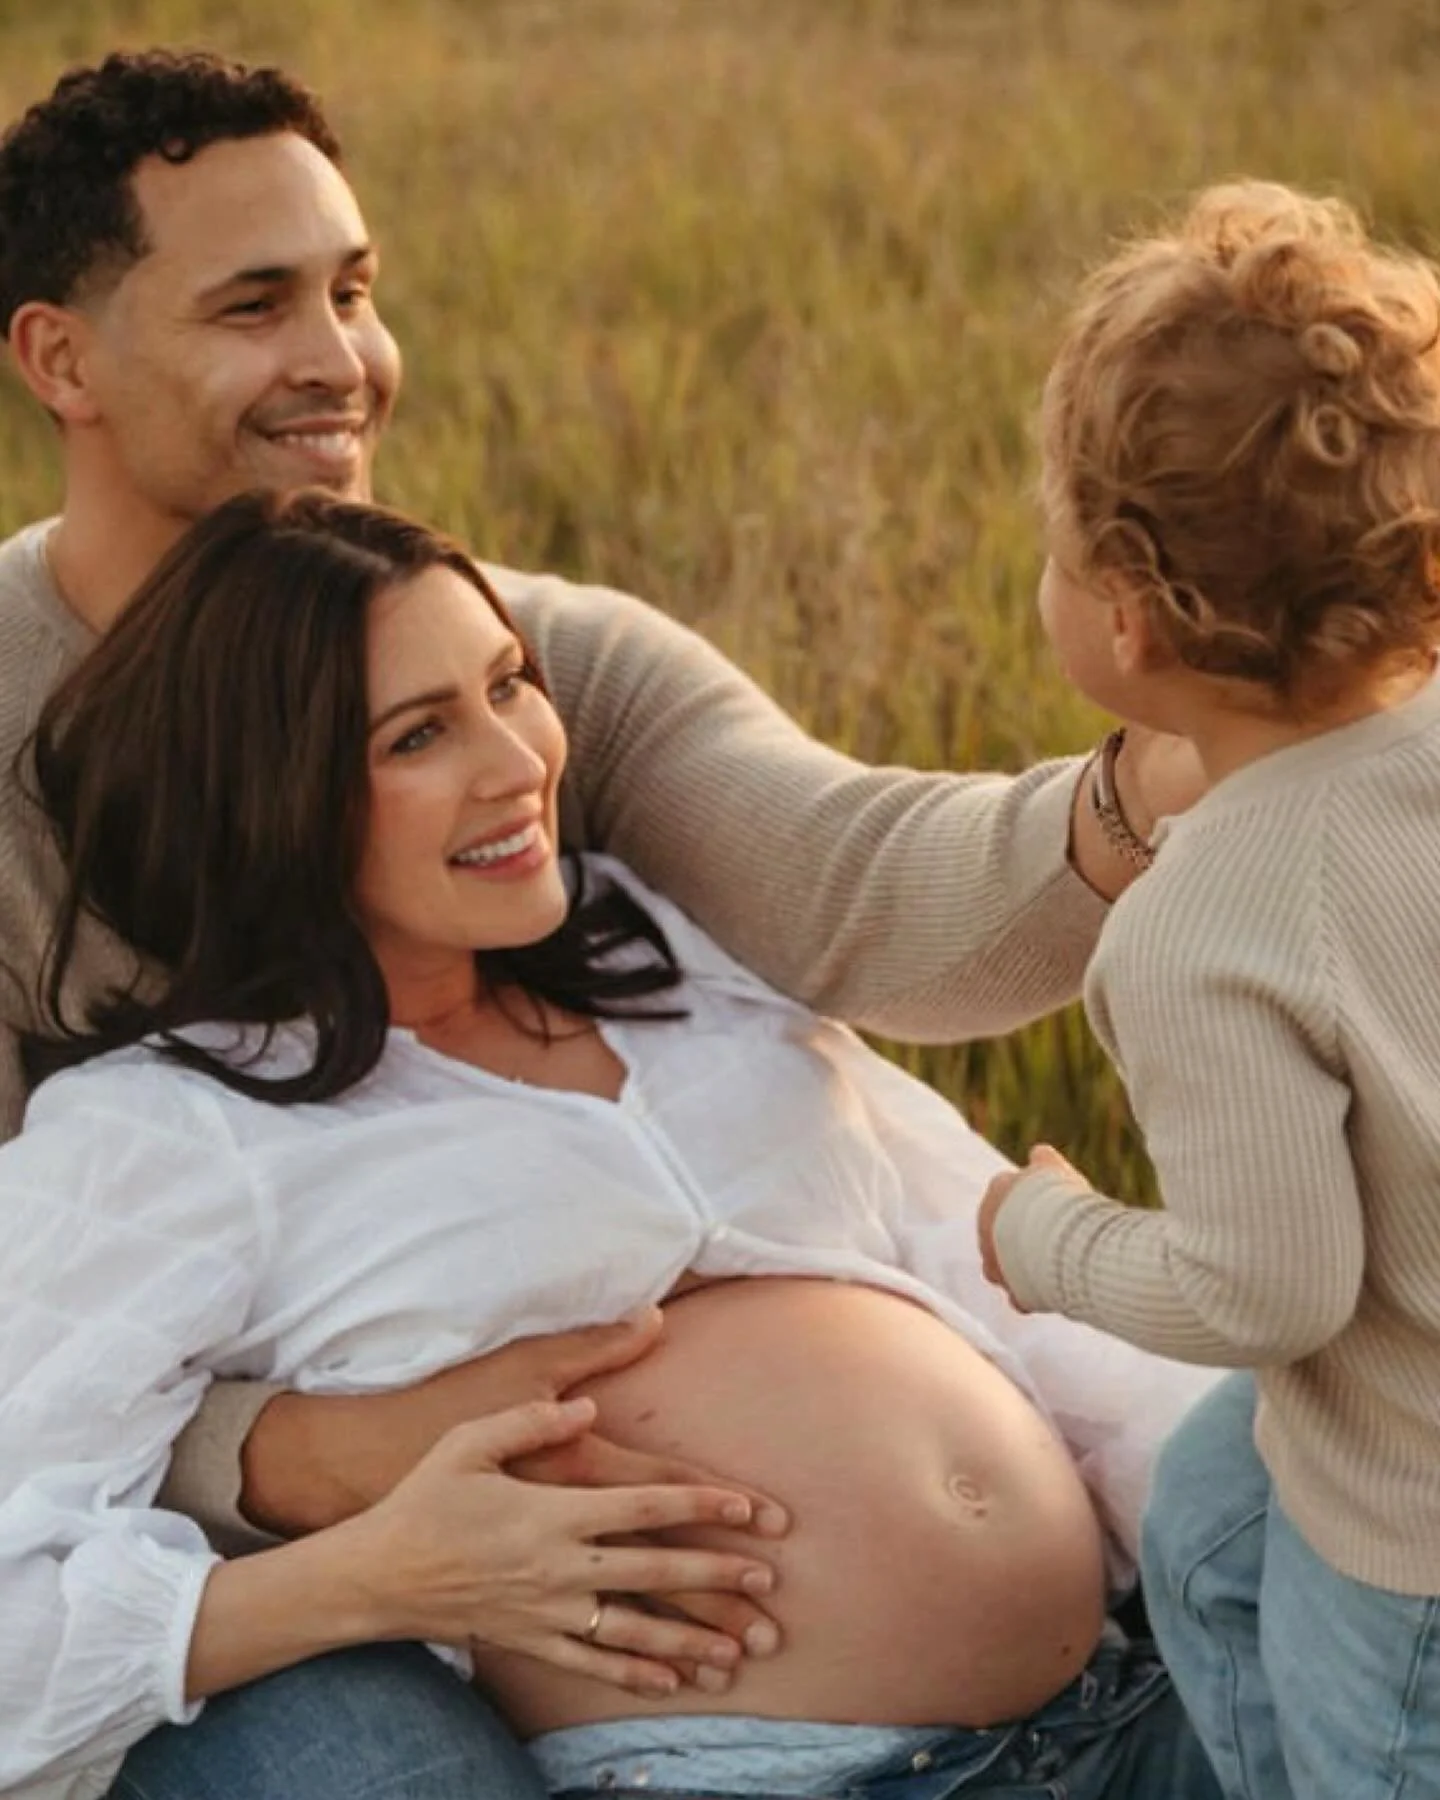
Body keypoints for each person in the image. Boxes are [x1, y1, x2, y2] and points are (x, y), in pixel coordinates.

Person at [0, 48, 1204, 1800]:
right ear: (59, 358)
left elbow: (858, 894)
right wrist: (295, 1471)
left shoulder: (570, 766)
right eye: (257, 305)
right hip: (295, 1578)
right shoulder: (164, 1104)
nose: (338, 360)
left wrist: (1147, 795)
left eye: (353, 290)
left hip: (1073, 1696)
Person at [976, 180, 1440, 1797]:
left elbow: (1267, 1296)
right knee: (1208, 1524)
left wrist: (1041, 1238)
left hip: (1418, 1523)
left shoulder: (1206, 928)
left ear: (1124, 612)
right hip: (1367, 1395)